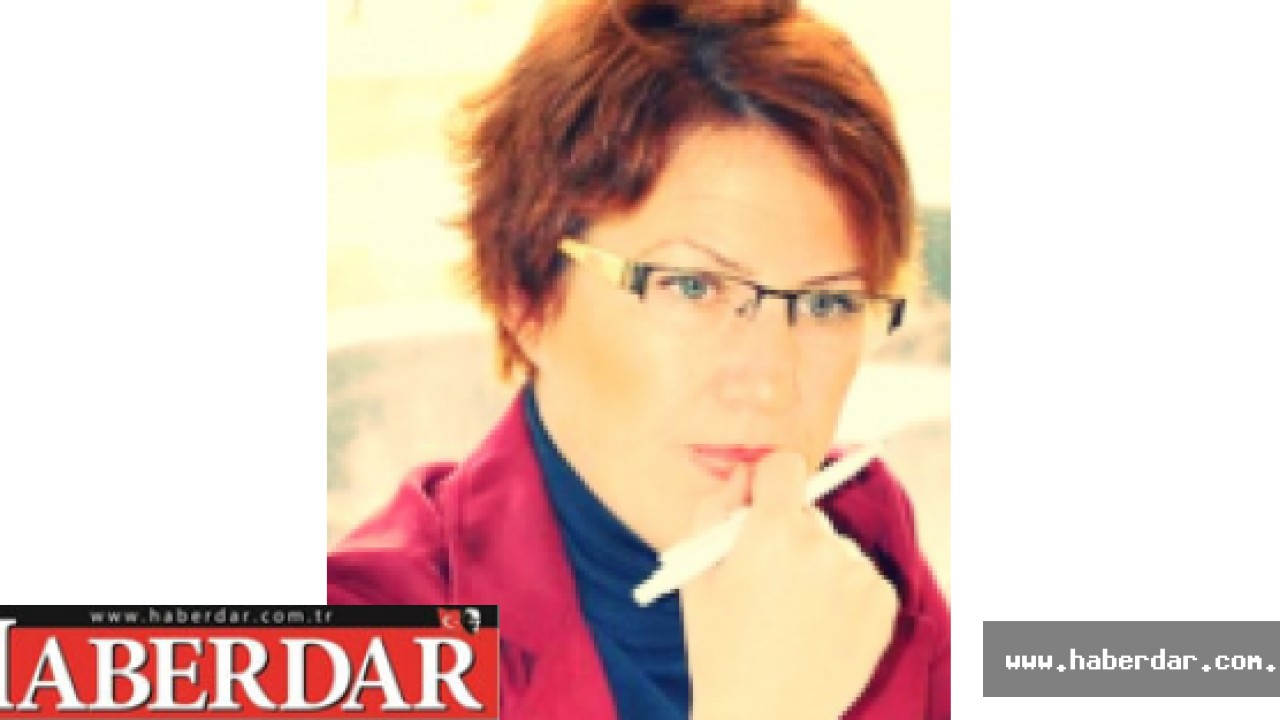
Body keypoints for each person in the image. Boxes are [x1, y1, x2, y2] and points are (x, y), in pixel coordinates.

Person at [328, 0, 950, 717]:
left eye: (827, 303)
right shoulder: (354, 641)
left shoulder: (860, 533)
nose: (769, 384)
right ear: (527, 296)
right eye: (692, 287)